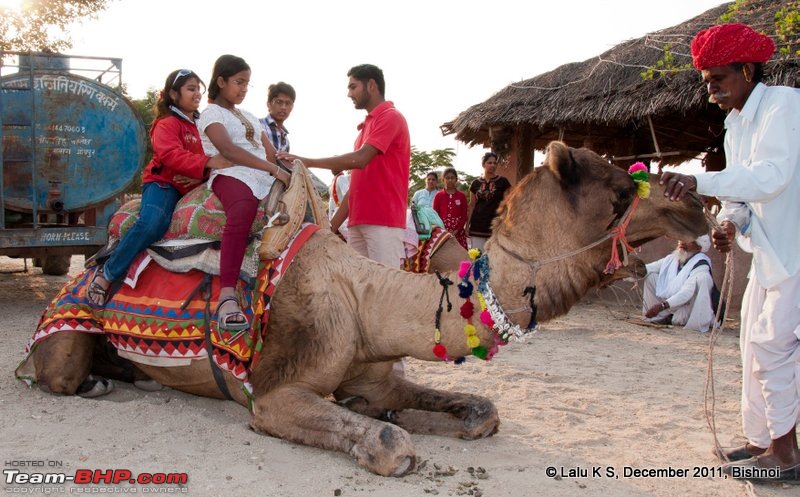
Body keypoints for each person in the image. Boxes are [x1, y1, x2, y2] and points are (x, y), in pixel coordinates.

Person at [661, 23, 800, 481]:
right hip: (769, 254)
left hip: (794, 251)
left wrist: (701, 180)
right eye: (707, 81)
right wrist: (729, 223)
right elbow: (744, 198)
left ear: (746, 68)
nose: (712, 88)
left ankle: (786, 457)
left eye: (719, 77)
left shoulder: (784, 105)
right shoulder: (736, 124)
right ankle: (762, 441)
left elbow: (771, 176)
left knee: (771, 346)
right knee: (751, 346)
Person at [86, 69, 231, 307]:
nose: (197, 94)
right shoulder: (166, 124)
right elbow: (171, 155)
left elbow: (213, 155)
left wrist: (202, 175)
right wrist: (207, 164)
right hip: (164, 183)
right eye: (191, 89)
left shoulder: (202, 124)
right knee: (152, 223)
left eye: (199, 89)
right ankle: (106, 275)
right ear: (174, 94)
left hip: (194, 184)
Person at [278, 64, 410, 268]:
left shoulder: (390, 117)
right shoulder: (365, 128)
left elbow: (361, 159)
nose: (349, 94)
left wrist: (307, 161)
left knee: (385, 292)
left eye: (353, 86)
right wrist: (331, 226)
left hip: (383, 221)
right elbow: (357, 188)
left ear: (372, 85)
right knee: (357, 291)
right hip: (358, 222)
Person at [199, 54, 291, 332]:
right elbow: (228, 150)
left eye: (247, 84)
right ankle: (227, 295)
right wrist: (272, 169)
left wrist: (292, 166)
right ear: (221, 81)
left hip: (262, 172)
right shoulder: (211, 114)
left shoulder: (248, 116)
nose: (243, 89)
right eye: (238, 82)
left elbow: (272, 153)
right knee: (242, 210)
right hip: (231, 172)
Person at [642, 236, 715, 332]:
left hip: (688, 307)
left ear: (698, 247)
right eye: (681, 238)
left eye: (687, 240)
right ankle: (657, 317)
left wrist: (662, 306)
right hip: (669, 305)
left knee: (703, 278)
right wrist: (625, 272)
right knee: (650, 276)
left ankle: (680, 319)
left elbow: (686, 292)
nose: (682, 242)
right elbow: (648, 269)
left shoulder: (701, 265)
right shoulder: (672, 259)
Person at [467, 152, 512, 250]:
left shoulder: (503, 182)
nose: (492, 165)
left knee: (493, 258)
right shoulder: (475, 183)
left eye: (495, 163)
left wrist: (506, 224)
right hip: (477, 225)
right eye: (489, 163)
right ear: (483, 164)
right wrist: (467, 226)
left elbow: (507, 205)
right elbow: (472, 205)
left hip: (495, 225)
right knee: (477, 256)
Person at [432, 167, 468, 249]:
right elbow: (435, 214)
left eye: (452, 178)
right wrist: (443, 229)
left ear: (456, 179)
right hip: (442, 231)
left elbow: (464, 215)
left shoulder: (461, 196)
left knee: (459, 255)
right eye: (447, 178)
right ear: (443, 180)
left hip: (458, 232)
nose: (450, 180)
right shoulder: (438, 196)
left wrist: (457, 230)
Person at [258, 81, 295, 153]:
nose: (283, 107)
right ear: (269, 104)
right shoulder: (257, 125)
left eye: (288, 103)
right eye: (278, 102)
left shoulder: (286, 139)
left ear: (292, 107)